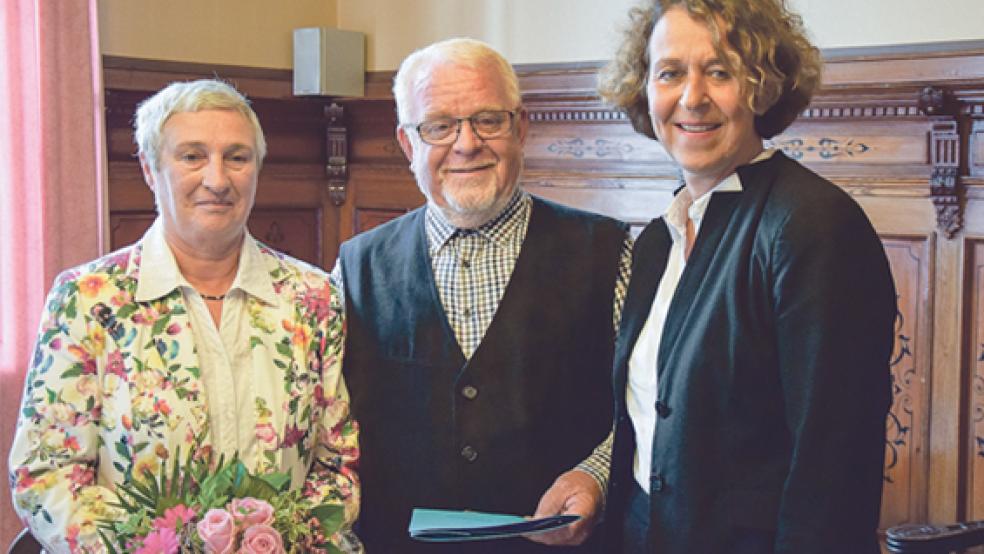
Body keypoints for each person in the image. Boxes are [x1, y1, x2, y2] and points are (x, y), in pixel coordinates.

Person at [9, 79, 362, 553]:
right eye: (192, 156)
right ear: (151, 170)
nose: (217, 180)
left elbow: (336, 464)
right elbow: (45, 474)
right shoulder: (88, 299)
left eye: (236, 157)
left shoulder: (313, 297)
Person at [596, 1, 897, 552]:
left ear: (763, 85)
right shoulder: (657, 240)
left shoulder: (812, 226)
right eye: (670, 73)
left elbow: (834, 468)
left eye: (720, 71)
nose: (692, 97)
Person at [334, 38, 631, 552]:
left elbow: (647, 407)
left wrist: (596, 479)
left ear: (520, 127)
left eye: (488, 120)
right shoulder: (355, 268)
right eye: (439, 126)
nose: (466, 143)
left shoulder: (609, 251)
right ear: (409, 145)